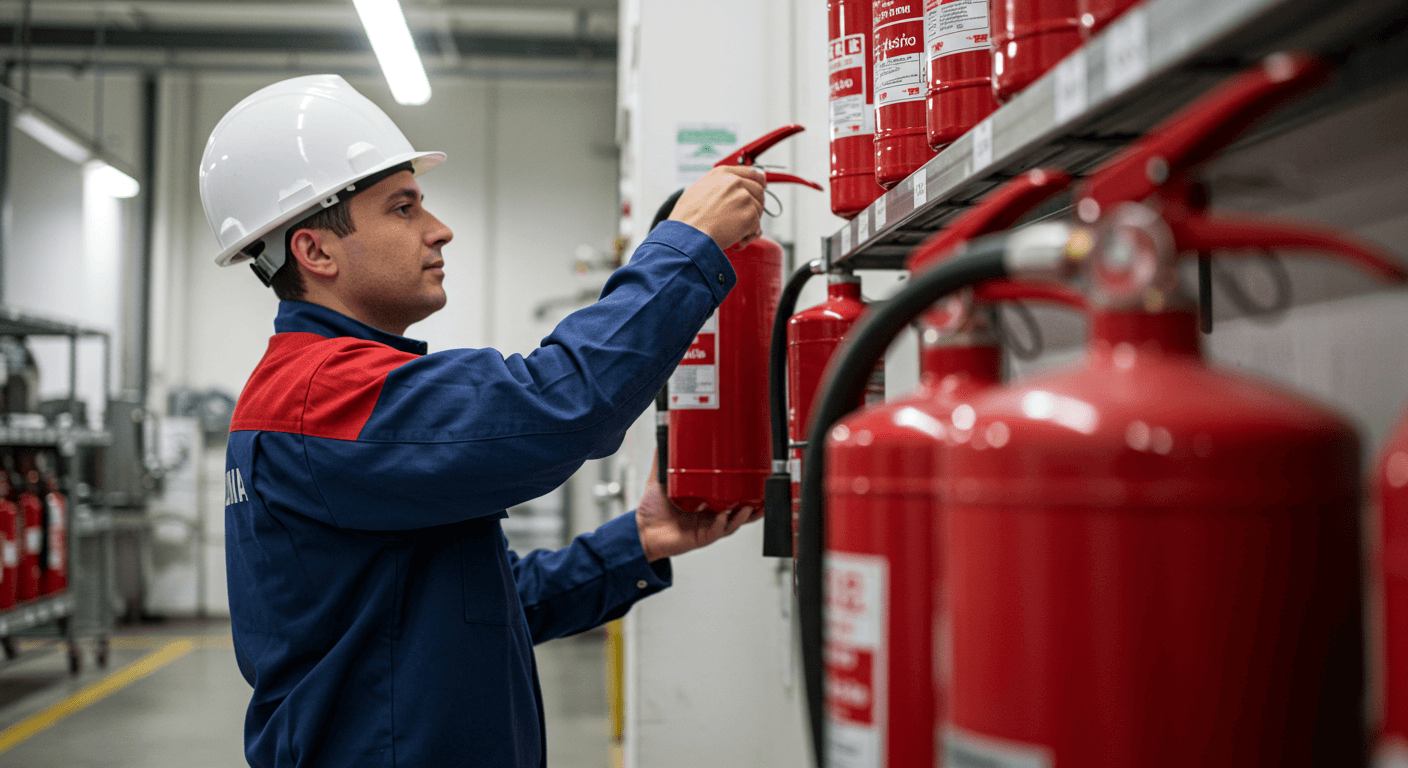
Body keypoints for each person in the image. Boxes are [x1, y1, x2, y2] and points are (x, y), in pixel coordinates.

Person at [199, 75, 767, 768]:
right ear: (315, 252)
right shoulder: (324, 398)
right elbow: (565, 404)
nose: (439, 229)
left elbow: (484, 611)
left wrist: (640, 542)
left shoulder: (323, 395)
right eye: (403, 208)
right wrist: (689, 243)